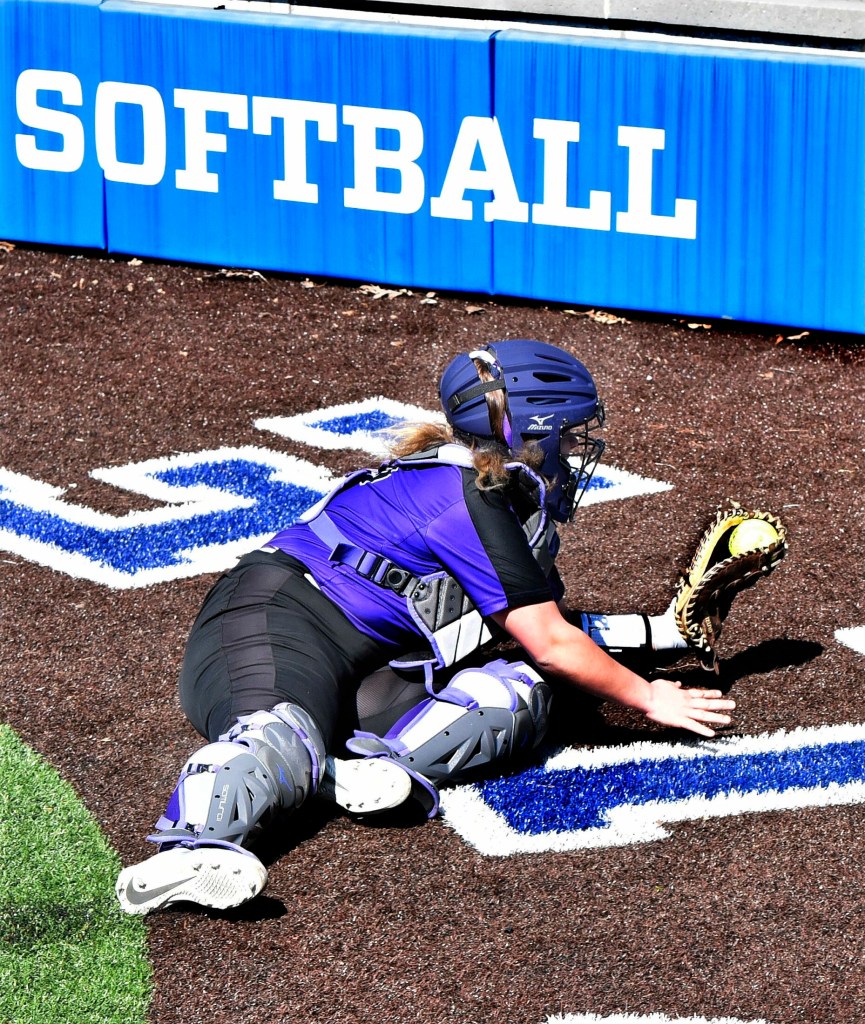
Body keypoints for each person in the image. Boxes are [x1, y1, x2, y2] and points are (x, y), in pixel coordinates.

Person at [116, 339, 736, 916]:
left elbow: (544, 633)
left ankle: (351, 774)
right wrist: (650, 696)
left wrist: (668, 632)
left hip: (371, 664)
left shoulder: (490, 486)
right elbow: (553, 643)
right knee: (279, 736)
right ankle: (192, 849)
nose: (576, 453)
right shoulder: (469, 497)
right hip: (275, 620)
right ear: (532, 434)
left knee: (512, 695)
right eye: (568, 436)